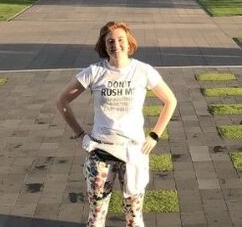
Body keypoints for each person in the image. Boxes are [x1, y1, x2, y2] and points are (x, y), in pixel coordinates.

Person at [56, 21, 177, 227]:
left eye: (120, 40)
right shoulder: (94, 72)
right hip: (100, 154)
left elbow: (170, 101)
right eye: (110, 41)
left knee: (134, 217)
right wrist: (80, 134)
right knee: (96, 218)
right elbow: (62, 101)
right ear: (104, 45)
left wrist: (155, 135)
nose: (116, 44)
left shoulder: (143, 71)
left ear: (129, 43)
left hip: (133, 154)